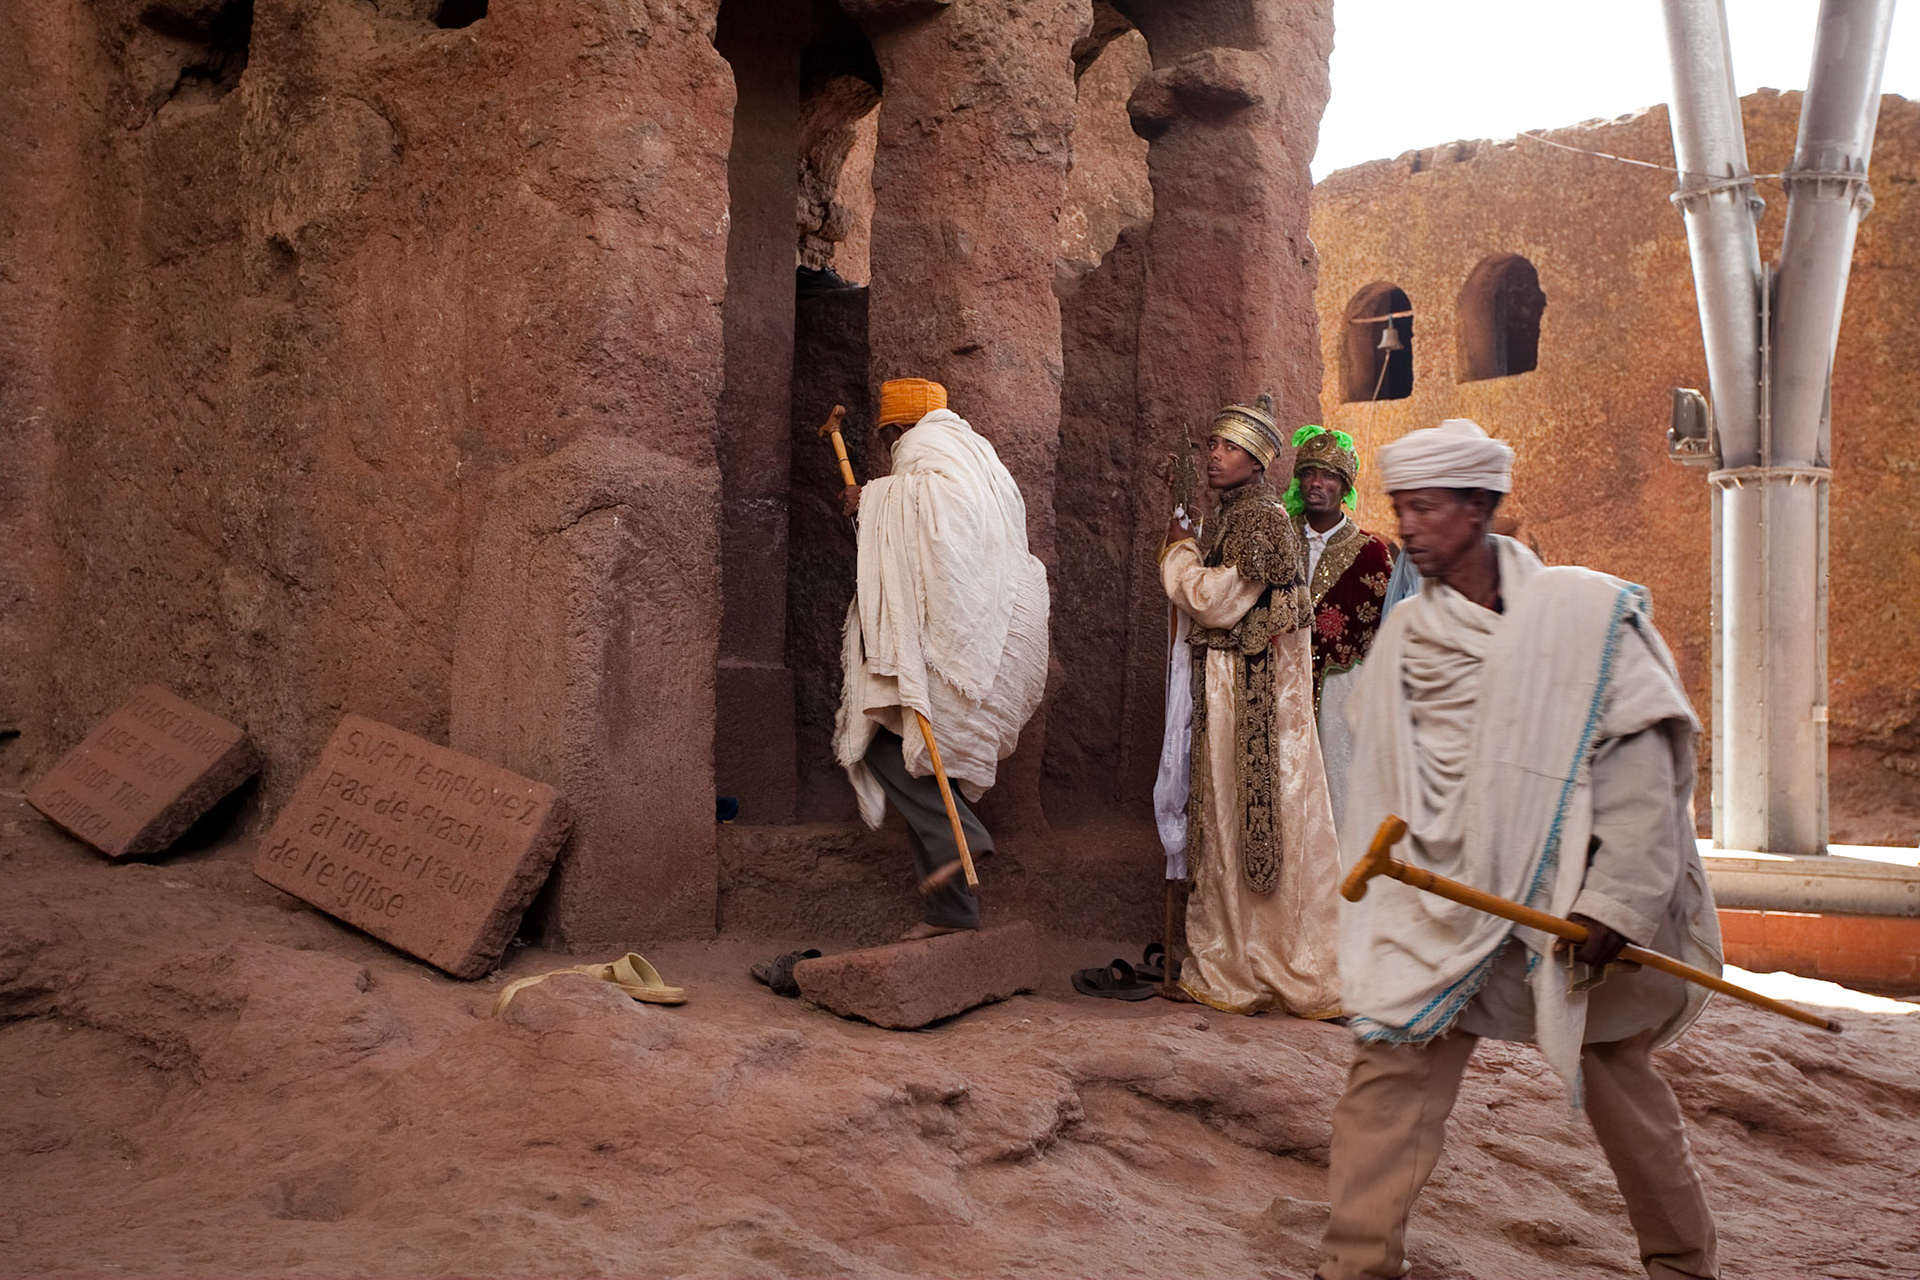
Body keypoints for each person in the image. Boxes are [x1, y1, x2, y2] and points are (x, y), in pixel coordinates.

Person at [1319, 418, 1723, 1280]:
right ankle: (1354, 1268)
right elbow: (1387, 788)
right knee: (1386, 1075)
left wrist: (1615, 903)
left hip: (1572, 904)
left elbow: (1643, 771)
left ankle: (1684, 1266)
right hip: (1445, 902)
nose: (1410, 527)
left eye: (1426, 509)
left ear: (1479, 507)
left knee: (1623, 1089)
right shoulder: (1408, 641)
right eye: (1403, 509)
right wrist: (1400, 910)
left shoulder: (1585, 616)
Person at [833, 378, 1049, 939]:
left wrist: (873, 499)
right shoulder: (973, 452)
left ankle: (965, 841)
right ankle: (952, 913)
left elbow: (947, 518)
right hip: (973, 630)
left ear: (896, 428)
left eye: (886, 438)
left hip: (956, 638)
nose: (887, 450)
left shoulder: (933, 450)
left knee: (886, 748)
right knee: (925, 763)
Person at [1156, 394, 1343, 1017]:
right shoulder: (1238, 514)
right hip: (1237, 683)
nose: (1215, 456)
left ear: (1258, 460)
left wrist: (1179, 552)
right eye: (1212, 445)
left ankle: (1253, 961)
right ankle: (1243, 953)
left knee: (1251, 817)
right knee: (1230, 819)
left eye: (1229, 447)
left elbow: (1214, 600)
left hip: (1253, 693)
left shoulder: (1260, 519)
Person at [1281, 426, 1393, 829]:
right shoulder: (1278, 538)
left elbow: (1383, 634)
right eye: (1309, 473)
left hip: (1339, 696)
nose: (1316, 483)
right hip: (1276, 686)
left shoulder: (1371, 553)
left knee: (1335, 795)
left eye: (1328, 475)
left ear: (1344, 487)